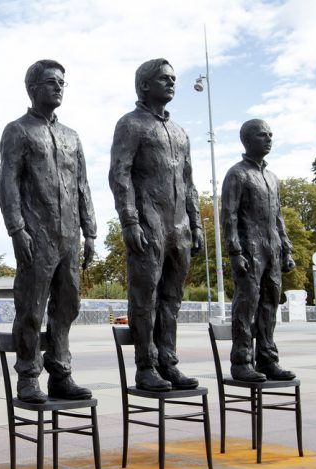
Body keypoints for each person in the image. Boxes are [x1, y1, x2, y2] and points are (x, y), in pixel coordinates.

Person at [0, 59, 97, 403]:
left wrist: (92, 232)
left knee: (68, 305)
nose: (58, 87)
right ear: (32, 88)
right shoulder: (18, 130)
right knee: (31, 306)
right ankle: (27, 375)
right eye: (51, 82)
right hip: (35, 235)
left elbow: (83, 186)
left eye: (61, 83)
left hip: (70, 235)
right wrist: (16, 229)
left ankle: (61, 372)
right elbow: (7, 183)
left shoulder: (72, 136)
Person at [108, 58, 202, 392]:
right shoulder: (130, 125)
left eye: (174, 78)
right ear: (145, 85)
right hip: (148, 223)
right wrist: (130, 220)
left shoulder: (180, 132)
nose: (172, 83)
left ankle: (168, 362)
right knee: (144, 295)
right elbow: (119, 175)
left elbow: (189, 181)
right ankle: (145, 366)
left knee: (172, 298)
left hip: (179, 227)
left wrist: (197, 224)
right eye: (164, 78)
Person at [221, 119, 296, 381]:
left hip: (271, 247)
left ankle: (267, 358)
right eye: (262, 135)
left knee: (270, 304)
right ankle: (241, 361)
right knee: (246, 304)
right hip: (249, 247)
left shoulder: (272, 178)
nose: (268, 139)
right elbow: (228, 215)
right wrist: (234, 251)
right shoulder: (237, 174)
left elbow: (278, 217)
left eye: (271, 135)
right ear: (247, 140)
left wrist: (286, 248)